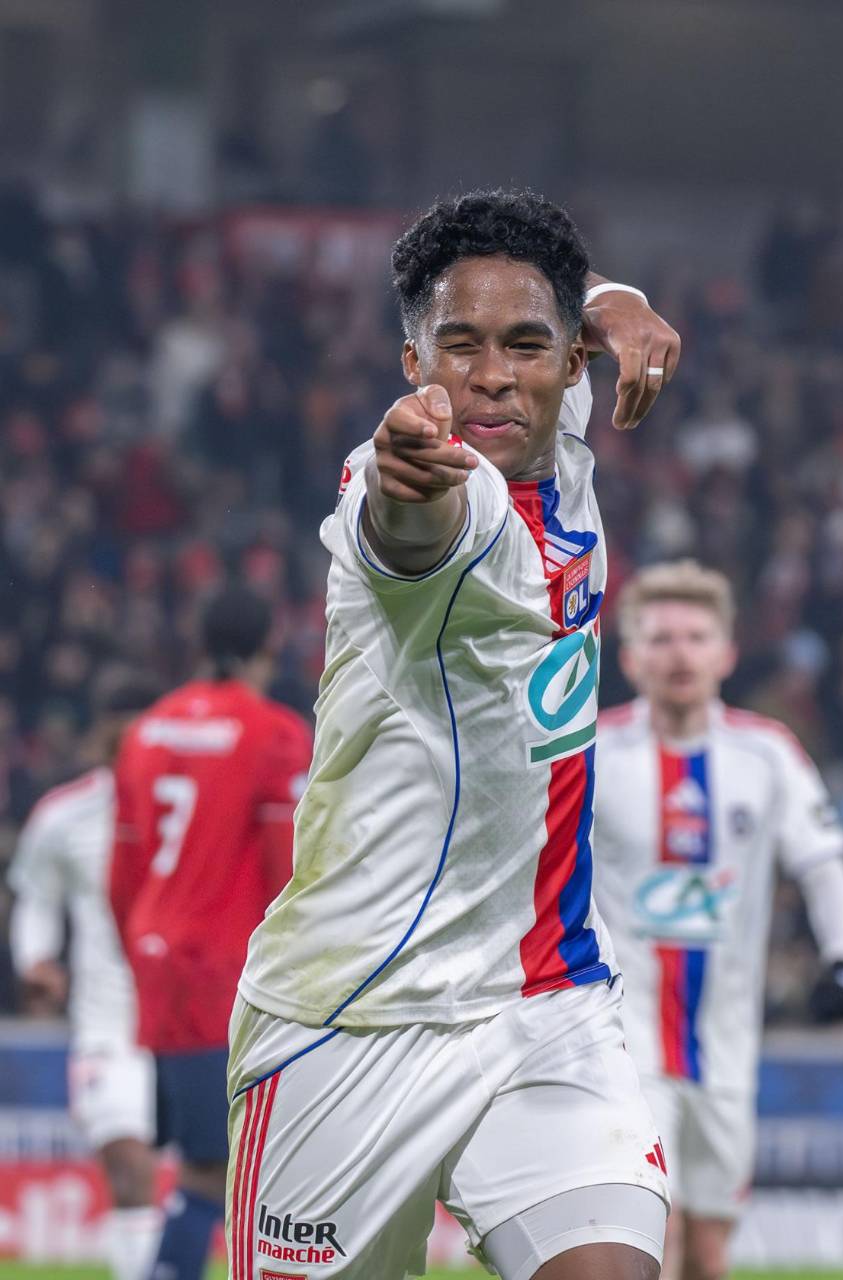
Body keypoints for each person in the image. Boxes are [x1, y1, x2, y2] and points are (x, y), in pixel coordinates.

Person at [226, 188, 681, 1280]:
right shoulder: (428, 489)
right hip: (351, 1014)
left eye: (525, 346)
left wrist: (618, 299)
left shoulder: (559, 432)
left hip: (547, 1001)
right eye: (456, 347)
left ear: (574, 368)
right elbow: (405, 521)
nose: (488, 373)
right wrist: (403, 474)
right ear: (409, 363)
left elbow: (557, 300)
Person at [593, 560, 843, 1280]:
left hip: (725, 1040)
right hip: (623, 1035)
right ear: (629, 657)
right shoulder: (592, 752)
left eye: (695, 636)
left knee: (710, 1250)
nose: (679, 653)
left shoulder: (766, 753)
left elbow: (824, 863)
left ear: (726, 652)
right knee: (658, 1227)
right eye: (660, 639)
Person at [109, 586, 313, 1280]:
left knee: (208, 1161)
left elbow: (123, 872)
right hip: (233, 969)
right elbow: (285, 869)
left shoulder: (145, 731)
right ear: (269, 646)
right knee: (231, 1166)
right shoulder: (275, 733)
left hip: (158, 963)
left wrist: (144, 951)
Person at [8, 674, 163, 1280]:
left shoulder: (190, 803)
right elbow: (35, 897)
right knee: (129, 1168)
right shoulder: (64, 815)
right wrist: (35, 960)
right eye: (115, 737)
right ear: (99, 739)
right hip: (107, 1028)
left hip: (191, 1022)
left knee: (215, 1175)